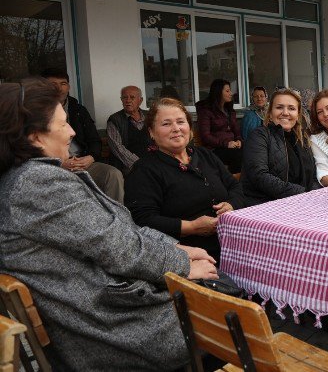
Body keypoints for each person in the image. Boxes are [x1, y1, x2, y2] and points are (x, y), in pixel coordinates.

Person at [0, 79, 218, 371]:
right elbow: (121, 250)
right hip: (113, 330)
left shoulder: (23, 179)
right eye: (63, 125)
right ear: (35, 137)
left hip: (102, 315)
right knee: (228, 320)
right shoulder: (39, 184)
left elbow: (117, 232)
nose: (72, 131)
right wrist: (183, 264)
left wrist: (178, 247)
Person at [125, 97, 245, 260]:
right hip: (187, 256)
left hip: (232, 245)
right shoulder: (144, 170)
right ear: (151, 132)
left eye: (181, 122)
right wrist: (191, 227)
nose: (176, 129)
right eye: (166, 124)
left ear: (190, 127)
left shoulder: (205, 155)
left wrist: (231, 204)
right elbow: (143, 220)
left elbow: (235, 187)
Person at [41, 67, 124, 202]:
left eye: (63, 84)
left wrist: (90, 158)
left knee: (113, 174)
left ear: (68, 87)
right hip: (53, 167)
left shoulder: (79, 110)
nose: (59, 88)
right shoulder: (35, 112)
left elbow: (94, 140)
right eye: (53, 84)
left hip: (82, 162)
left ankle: (116, 218)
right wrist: (59, 164)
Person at [241, 88, 320, 206]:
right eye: (279, 107)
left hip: (301, 203)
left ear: (298, 115)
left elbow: (312, 176)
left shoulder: (302, 139)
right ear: (270, 113)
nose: (285, 112)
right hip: (266, 205)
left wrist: (314, 195)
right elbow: (259, 176)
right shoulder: (259, 136)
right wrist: (302, 193)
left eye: (291, 108)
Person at [196, 79, 243, 174]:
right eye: (227, 91)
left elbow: (236, 131)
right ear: (218, 92)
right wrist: (226, 144)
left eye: (230, 90)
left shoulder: (229, 110)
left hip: (231, 147)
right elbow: (205, 136)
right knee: (239, 155)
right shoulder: (206, 111)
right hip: (214, 149)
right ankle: (233, 182)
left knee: (252, 150)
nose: (231, 93)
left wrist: (239, 140)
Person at [106, 85, 151, 175]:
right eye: (125, 97)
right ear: (121, 100)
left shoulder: (150, 116)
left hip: (151, 161)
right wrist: (138, 163)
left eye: (132, 97)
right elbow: (117, 148)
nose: (128, 100)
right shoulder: (115, 120)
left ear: (140, 100)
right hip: (128, 165)